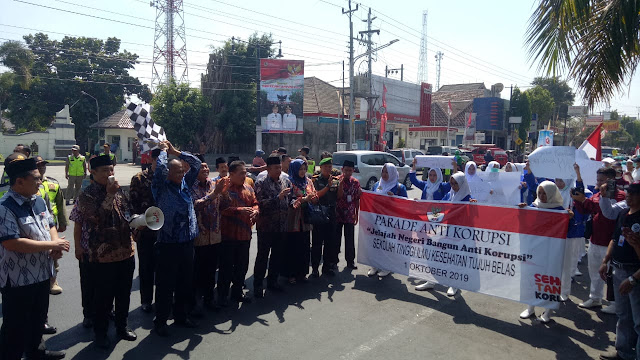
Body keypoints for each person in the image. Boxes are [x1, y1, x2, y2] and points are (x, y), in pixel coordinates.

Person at [0, 154, 69, 360]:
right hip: (18, 279)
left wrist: (54, 245)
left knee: (38, 318)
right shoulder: (5, 207)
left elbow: (50, 224)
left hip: (41, 273)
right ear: (19, 182)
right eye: (36, 178)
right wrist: (51, 244)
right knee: (15, 326)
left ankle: (36, 352)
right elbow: (11, 242)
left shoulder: (37, 199)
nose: (41, 182)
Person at [76, 155, 137, 348]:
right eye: (104, 171)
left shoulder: (119, 192)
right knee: (103, 297)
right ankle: (100, 333)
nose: (109, 174)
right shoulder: (87, 195)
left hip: (125, 251)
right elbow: (96, 219)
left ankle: (122, 326)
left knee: (123, 293)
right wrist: (109, 194)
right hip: (102, 257)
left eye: (111, 170)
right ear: (92, 172)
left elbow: (127, 214)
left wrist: (137, 223)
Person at [152, 141, 202, 336]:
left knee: (185, 282)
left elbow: (196, 164)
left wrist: (176, 152)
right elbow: (161, 169)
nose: (182, 174)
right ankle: (161, 321)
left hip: (187, 242)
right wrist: (164, 152)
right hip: (168, 244)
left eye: (182, 171)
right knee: (165, 284)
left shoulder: (185, 184)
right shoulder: (160, 187)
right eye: (178, 172)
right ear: (168, 174)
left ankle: (181, 315)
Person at [572, 166, 626, 309]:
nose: (599, 182)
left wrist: (586, 200)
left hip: (610, 242)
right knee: (594, 271)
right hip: (595, 240)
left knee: (611, 275)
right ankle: (595, 298)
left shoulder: (621, 196)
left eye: (602, 180)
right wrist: (579, 200)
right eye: (598, 179)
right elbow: (585, 209)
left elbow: (607, 211)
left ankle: (615, 303)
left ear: (611, 180)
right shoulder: (596, 195)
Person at [598, 183, 640, 360]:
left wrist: (633, 279)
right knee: (623, 315)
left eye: (633, 194)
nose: (628, 197)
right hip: (618, 269)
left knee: (638, 320)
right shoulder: (623, 214)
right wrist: (605, 261)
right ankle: (623, 352)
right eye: (628, 193)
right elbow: (615, 239)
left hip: (635, 273)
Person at [517, 181, 569, 323]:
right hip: (535, 249)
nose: (541, 196)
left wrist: (569, 218)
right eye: (540, 193)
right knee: (532, 277)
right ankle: (530, 308)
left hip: (552, 251)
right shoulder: (534, 206)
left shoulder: (560, 210)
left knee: (549, 279)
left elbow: (567, 231)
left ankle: (547, 310)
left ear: (552, 193)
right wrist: (522, 212)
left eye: (545, 193)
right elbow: (525, 226)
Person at [217, 161, 259, 304]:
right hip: (228, 235)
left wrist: (255, 211)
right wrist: (239, 210)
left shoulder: (248, 188)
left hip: (245, 234)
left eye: (245, 172)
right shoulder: (223, 189)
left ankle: (237, 292)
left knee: (242, 266)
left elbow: (255, 203)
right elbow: (220, 210)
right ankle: (222, 296)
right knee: (226, 267)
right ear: (232, 173)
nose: (244, 175)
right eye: (241, 173)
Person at [129, 149, 161, 314]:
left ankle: (162, 300)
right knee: (146, 269)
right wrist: (137, 224)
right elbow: (132, 205)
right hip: (146, 231)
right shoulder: (139, 178)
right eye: (160, 160)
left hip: (164, 233)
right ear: (153, 160)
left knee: (163, 269)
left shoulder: (167, 178)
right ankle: (146, 301)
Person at [254, 155, 291, 297]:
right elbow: (259, 203)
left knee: (277, 255)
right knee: (263, 256)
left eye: (280, 168)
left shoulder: (285, 180)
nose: (279, 171)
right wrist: (277, 198)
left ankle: (273, 281)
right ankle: (258, 285)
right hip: (266, 227)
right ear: (268, 169)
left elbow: (290, 198)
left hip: (281, 226)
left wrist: (294, 202)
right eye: (275, 168)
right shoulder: (261, 182)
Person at [190, 155, 223, 312]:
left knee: (211, 271)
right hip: (199, 237)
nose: (205, 169)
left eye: (206, 167)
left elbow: (222, 205)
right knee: (196, 272)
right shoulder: (189, 186)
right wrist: (214, 194)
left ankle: (209, 299)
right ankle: (195, 304)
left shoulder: (214, 184)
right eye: (201, 167)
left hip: (215, 235)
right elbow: (195, 205)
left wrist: (224, 193)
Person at [34, 156, 67, 296]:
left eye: (43, 164)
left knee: (53, 253)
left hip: (50, 224)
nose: (42, 167)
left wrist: (63, 221)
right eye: (38, 165)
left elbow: (60, 203)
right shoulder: (30, 185)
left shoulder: (52, 183)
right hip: (35, 225)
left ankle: (53, 281)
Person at [368, 163, 407, 278]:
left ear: (393, 173)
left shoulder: (399, 187)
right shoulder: (376, 185)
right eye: (383, 171)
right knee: (376, 242)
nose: (384, 174)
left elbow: (406, 204)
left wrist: (395, 198)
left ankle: (387, 267)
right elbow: (370, 199)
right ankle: (375, 265)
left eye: (387, 172)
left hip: (391, 222)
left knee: (388, 244)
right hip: (377, 219)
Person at [285, 159, 318, 284]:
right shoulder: (289, 182)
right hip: (293, 218)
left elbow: (314, 194)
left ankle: (302, 273)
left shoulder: (308, 181)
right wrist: (303, 199)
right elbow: (288, 201)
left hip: (306, 219)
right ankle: (291, 274)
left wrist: (314, 198)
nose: (303, 171)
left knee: (305, 246)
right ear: (294, 169)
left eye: (304, 169)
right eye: (300, 169)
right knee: (293, 247)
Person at [311, 157, 340, 277]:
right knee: (317, 243)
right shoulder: (316, 180)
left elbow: (338, 196)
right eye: (326, 167)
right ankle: (315, 268)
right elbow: (316, 195)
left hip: (331, 213)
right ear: (321, 168)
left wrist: (340, 184)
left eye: (330, 167)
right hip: (320, 213)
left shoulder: (334, 180)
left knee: (330, 242)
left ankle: (327, 267)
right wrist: (327, 186)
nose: (328, 169)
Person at [336, 160, 362, 270]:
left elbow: (357, 199)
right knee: (336, 238)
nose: (348, 172)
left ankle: (350, 261)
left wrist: (356, 213)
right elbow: (337, 197)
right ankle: (333, 260)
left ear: (353, 171)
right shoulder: (336, 180)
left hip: (350, 214)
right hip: (337, 214)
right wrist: (340, 185)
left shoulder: (355, 182)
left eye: (350, 170)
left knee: (350, 239)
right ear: (342, 170)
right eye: (346, 170)